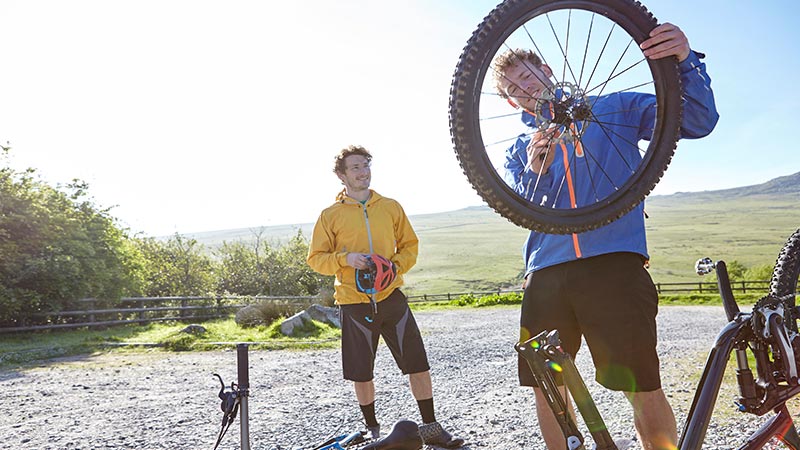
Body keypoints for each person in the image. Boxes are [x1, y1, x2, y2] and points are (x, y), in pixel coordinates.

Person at [494, 23, 719, 450]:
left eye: (527, 76)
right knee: (550, 388)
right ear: (508, 101)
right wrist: (536, 170)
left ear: (546, 69)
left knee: (641, 382)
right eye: (514, 87)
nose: (524, 88)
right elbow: (522, 208)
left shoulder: (615, 107)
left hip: (613, 261)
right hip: (546, 272)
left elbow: (696, 120)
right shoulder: (519, 146)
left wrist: (685, 61)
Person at [307, 145, 464, 448]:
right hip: (354, 302)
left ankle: (431, 428)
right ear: (342, 175)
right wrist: (346, 259)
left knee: (418, 364)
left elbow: (409, 246)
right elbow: (316, 258)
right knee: (362, 372)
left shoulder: (390, 206)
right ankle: (371, 431)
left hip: (391, 297)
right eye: (355, 167)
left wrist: (394, 267)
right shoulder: (330, 216)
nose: (363, 171)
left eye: (366, 165)